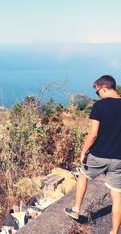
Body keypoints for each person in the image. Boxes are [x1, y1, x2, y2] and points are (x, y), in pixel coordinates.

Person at [65, 75, 121, 234]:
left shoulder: (99, 106)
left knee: (83, 174)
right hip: (119, 158)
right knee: (117, 197)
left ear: (104, 88)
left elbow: (93, 135)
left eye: (98, 92)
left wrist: (83, 152)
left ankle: (76, 209)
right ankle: (114, 231)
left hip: (98, 155)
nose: (98, 96)